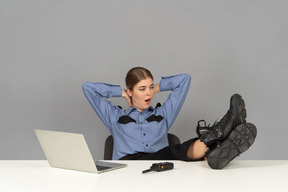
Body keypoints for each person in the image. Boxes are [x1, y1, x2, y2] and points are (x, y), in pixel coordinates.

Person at [82, 67, 257, 169]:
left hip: (161, 167)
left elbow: (184, 80)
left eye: (150, 87)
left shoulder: (162, 115)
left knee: (175, 152)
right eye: (142, 89)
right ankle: (218, 140)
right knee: (172, 151)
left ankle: (217, 142)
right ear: (130, 91)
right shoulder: (115, 116)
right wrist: (120, 92)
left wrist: (155, 88)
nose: (148, 93)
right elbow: (88, 88)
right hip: (129, 168)